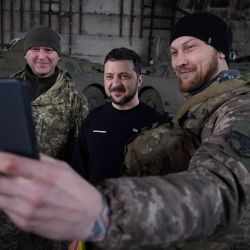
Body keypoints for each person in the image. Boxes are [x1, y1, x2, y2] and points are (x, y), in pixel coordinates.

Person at [0, 11, 250, 250]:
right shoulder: (198, 108)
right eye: (174, 52)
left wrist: (103, 211)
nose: (179, 60)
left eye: (191, 47)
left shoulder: (239, 107)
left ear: (220, 52)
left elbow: (225, 188)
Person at [2, 26, 89, 250]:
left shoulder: (74, 98)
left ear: (58, 55)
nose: (42, 56)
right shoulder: (7, 90)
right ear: (25, 54)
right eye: (35, 49)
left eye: (49, 50)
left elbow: (81, 155)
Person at [71, 47, 167, 185]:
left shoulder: (156, 124)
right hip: (98, 204)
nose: (115, 84)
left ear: (139, 80)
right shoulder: (93, 119)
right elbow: (78, 172)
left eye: (124, 76)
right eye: (109, 76)